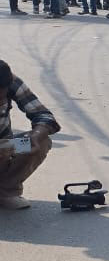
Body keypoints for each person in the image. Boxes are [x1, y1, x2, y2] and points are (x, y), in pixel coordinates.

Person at [0, 60, 59, 210]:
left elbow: (43, 115)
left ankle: (6, 192)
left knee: (41, 142)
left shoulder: (12, 82)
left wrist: (36, 134)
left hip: (4, 147)